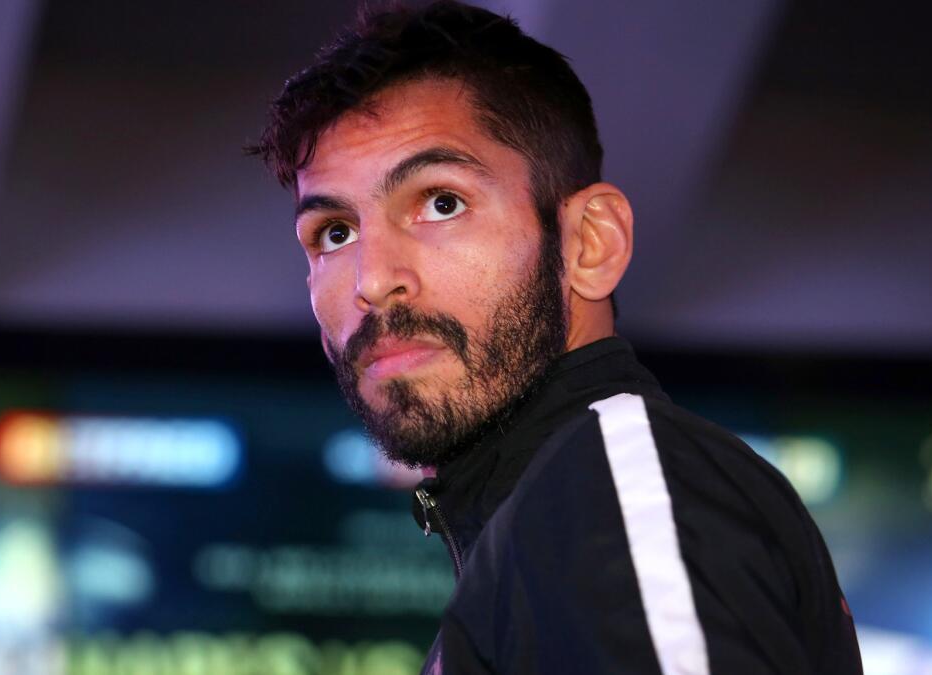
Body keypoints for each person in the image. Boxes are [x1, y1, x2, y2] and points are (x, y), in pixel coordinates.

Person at [249, 2, 863, 673]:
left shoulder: (612, 483)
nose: (373, 280)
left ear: (589, 242)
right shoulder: (541, 522)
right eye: (333, 232)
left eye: (440, 201)